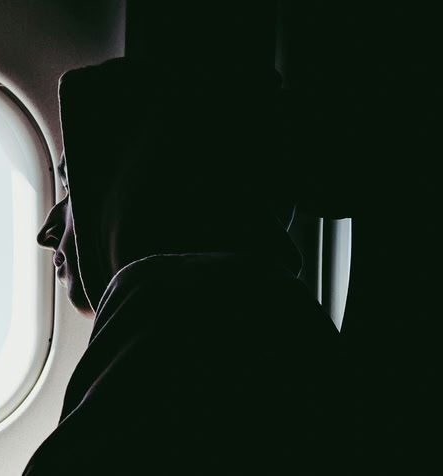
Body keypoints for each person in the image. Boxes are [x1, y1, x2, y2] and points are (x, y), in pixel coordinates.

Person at [24, 57, 348, 474]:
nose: (47, 230)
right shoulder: (259, 300)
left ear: (147, 177)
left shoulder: (181, 302)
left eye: (74, 190)